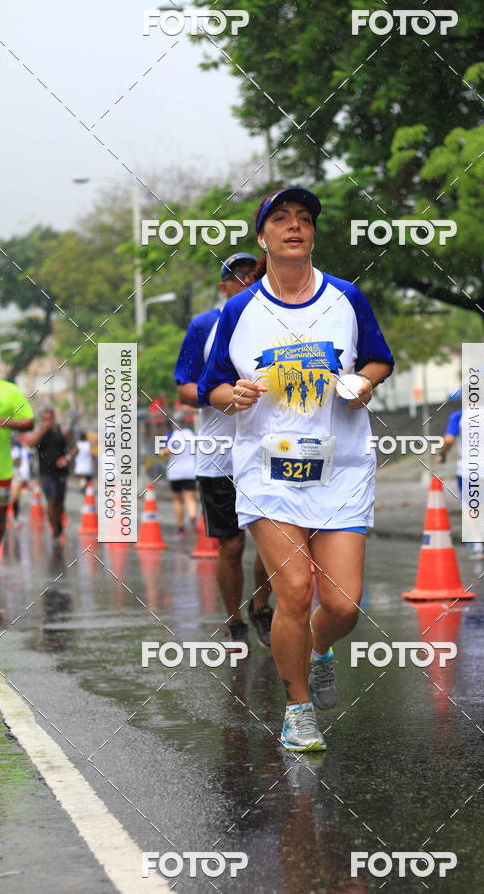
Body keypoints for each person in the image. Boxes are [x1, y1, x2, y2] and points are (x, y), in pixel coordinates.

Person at [197, 188, 394, 751]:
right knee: (297, 589)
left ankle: (319, 650)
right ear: (262, 237)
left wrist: (365, 383)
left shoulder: (346, 298)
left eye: (303, 220)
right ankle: (298, 709)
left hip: (342, 468)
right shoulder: (240, 311)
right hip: (267, 472)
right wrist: (233, 395)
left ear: (312, 234)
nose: (294, 227)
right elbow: (212, 385)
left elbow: (379, 357)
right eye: (280, 219)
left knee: (343, 604)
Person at [175, 253, 274, 649]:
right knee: (231, 543)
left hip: (270, 449)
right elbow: (184, 386)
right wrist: (219, 396)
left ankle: (261, 605)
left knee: (274, 539)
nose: (248, 281)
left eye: (254, 274)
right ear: (224, 286)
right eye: (239, 276)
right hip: (219, 454)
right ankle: (234, 618)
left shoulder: (275, 321)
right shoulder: (205, 326)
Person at [436, 408, 484, 557]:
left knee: (470, 508)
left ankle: (478, 547)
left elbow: (449, 439)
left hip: (468, 471)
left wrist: (442, 454)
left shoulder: (458, 416)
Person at [28, 408, 77, 540]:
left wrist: (66, 458)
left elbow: (74, 448)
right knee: (51, 500)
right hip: (45, 473)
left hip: (61, 473)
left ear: (54, 418)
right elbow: (30, 443)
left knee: (60, 503)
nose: (48, 422)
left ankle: (58, 523)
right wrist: (42, 431)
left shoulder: (63, 432)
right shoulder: (40, 433)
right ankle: (55, 529)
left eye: (50, 419)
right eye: (45, 420)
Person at [0, 381, 34, 550]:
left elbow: (30, 422)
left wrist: (5, 422)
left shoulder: (9, 391)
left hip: (2, 472)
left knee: (0, 520)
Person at [159, 421, 198, 536]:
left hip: (175, 472)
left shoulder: (172, 436)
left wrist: (163, 452)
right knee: (190, 497)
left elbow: (164, 452)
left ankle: (180, 527)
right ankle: (192, 516)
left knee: (177, 499)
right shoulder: (192, 434)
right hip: (191, 471)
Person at [10, 434, 32, 526]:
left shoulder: (20, 449)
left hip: (17, 476)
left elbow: (19, 462)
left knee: (16, 497)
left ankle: (15, 517)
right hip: (5, 475)